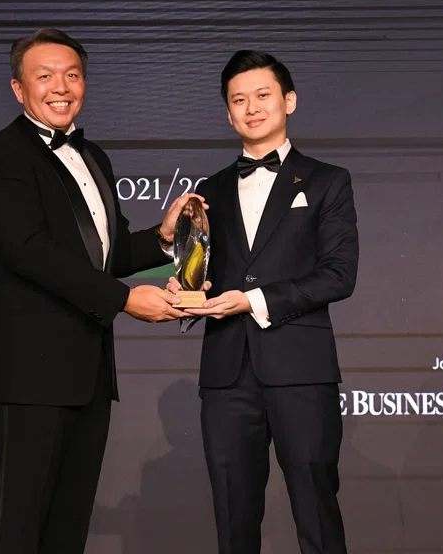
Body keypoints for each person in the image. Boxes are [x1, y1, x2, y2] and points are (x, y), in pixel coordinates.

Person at [0, 28, 200, 554]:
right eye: (45, 75)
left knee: (66, 532)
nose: (61, 86)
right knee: (16, 531)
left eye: (72, 75)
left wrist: (164, 238)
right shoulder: (0, 154)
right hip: (29, 373)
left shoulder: (93, 154)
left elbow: (107, 254)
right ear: (17, 88)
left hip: (89, 375)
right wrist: (123, 300)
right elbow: (27, 250)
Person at [168, 50, 359, 554]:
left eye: (263, 95)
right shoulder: (206, 192)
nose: (251, 108)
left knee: (317, 512)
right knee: (233, 519)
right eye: (239, 100)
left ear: (288, 100)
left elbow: (339, 276)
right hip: (227, 375)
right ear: (228, 114)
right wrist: (184, 293)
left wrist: (251, 300)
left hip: (301, 370)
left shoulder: (327, 181)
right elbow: (197, 275)